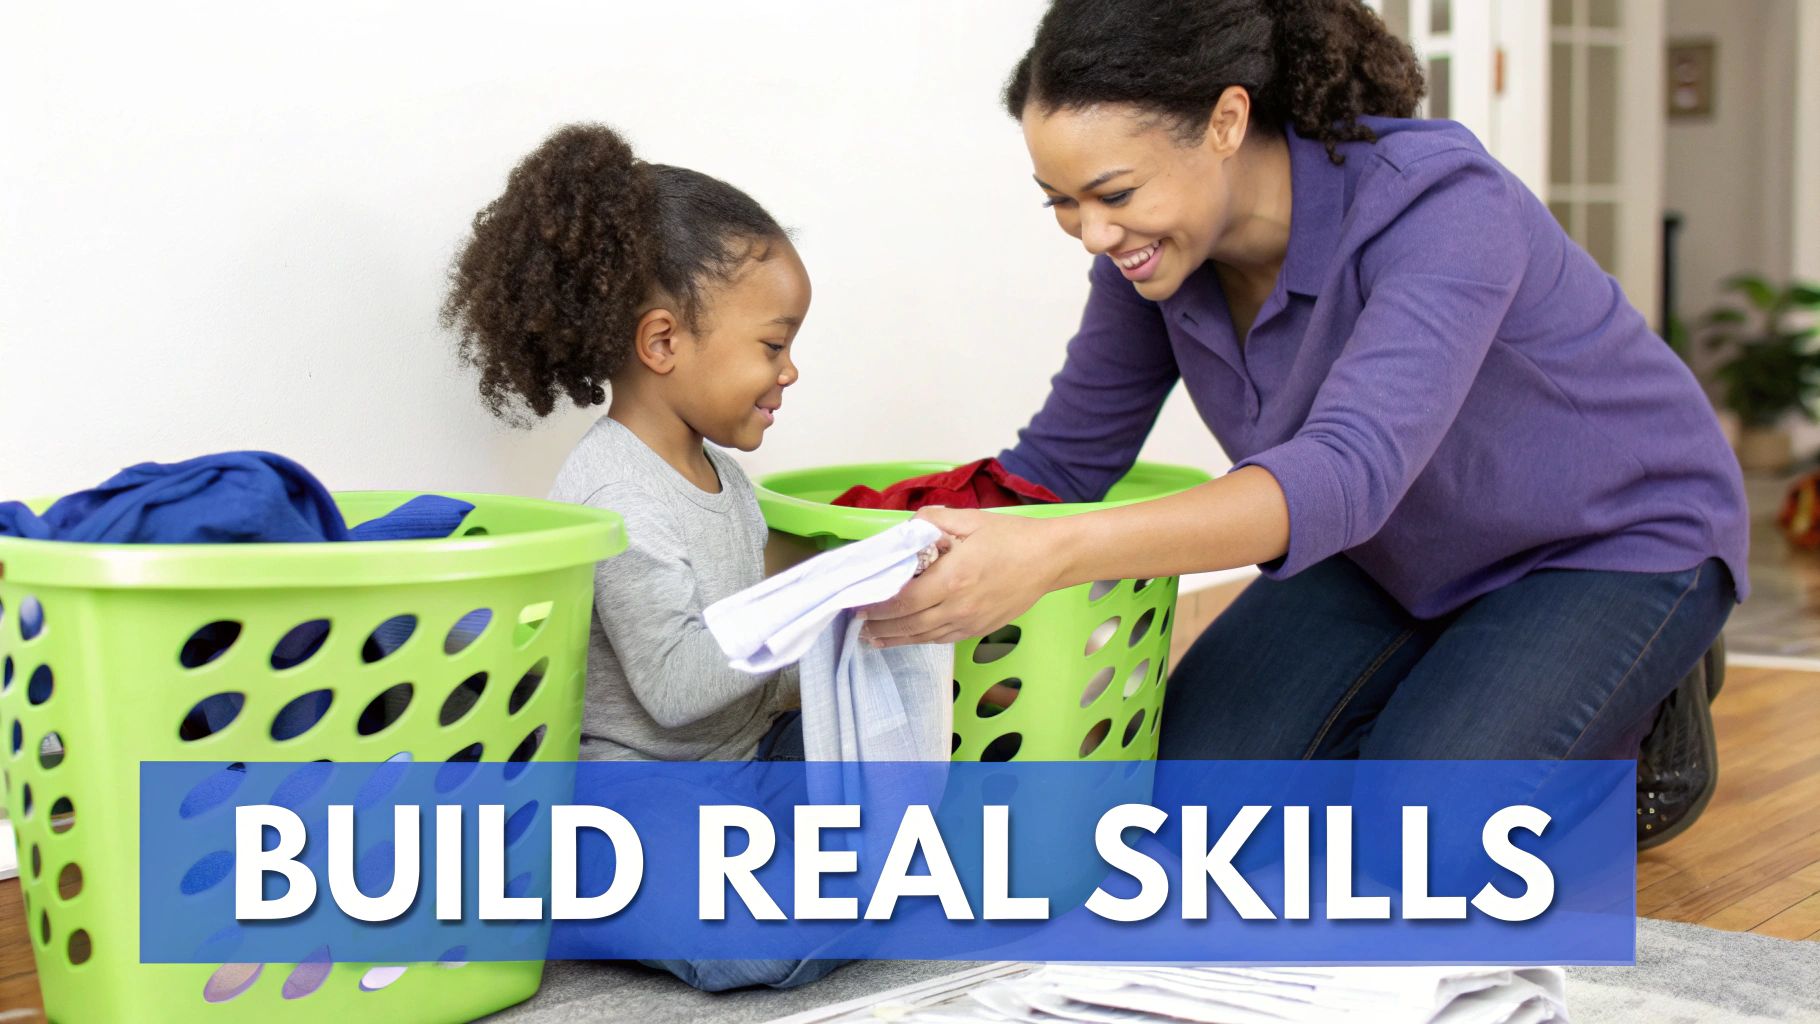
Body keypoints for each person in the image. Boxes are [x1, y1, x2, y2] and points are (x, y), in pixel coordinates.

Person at [859, 0, 1748, 771]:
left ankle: (1641, 708)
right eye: (1058, 201)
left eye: (1114, 191)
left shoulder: (1441, 202)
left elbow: (1345, 474)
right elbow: (1060, 463)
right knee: (1187, 805)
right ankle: (1458, 698)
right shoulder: (1155, 260)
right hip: (1391, 553)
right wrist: (880, 547)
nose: (1091, 232)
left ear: (1226, 121)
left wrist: (1055, 554)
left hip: (1606, 542)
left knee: (1421, 852)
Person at [444, 123, 837, 989]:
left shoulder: (726, 477)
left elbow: (751, 690)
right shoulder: (613, 497)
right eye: (773, 346)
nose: (790, 372)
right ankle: (617, 902)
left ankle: (849, 881)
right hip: (636, 804)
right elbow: (679, 690)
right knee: (760, 944)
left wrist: (855, 658)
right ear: (662, 344)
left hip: (744, 773)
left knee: (912, 774)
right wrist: (816, 603)